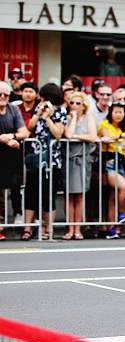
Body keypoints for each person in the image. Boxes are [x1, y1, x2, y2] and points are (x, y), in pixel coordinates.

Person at [23, 83, 67, 241]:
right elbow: (30, 126)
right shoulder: (38, 108)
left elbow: (58, 134)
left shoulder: (61, 111)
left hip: (53, 159)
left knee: (49, 194)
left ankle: (48, 229)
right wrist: (39, 113)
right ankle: (27, 228)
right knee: (31, 192)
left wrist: (48, 117)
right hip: (36, 156)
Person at [63, 92, 97, 240]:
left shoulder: (89, 117)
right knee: (69, 196)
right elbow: (68, 134)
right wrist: (74, 118)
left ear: (84, 105)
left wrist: (78, 137)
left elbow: (92, 136)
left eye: (78, 103)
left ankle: (78, 229)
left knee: (80, 195)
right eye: (72, 103)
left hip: (82, 159)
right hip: (69, 159)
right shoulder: (68, 118)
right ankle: (70, 229)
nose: (75, 106)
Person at [99, 102, 125, 239]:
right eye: (115, 112)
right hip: (109, 161)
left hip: (121, 161)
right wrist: (120, 138)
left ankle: (112, 228)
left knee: (114, 196)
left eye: (121, 112)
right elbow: (106, 137)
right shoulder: (104, 124)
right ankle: (122, 215)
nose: (118, 115)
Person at [0, 81, 29, 239]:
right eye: (0, 95)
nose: (3, 97)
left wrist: (12, 137)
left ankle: (17, 216)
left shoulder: (13, 109)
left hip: (12, 157)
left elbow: (24, 131)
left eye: (6, 95)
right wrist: (3, 139)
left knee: (16, 186)